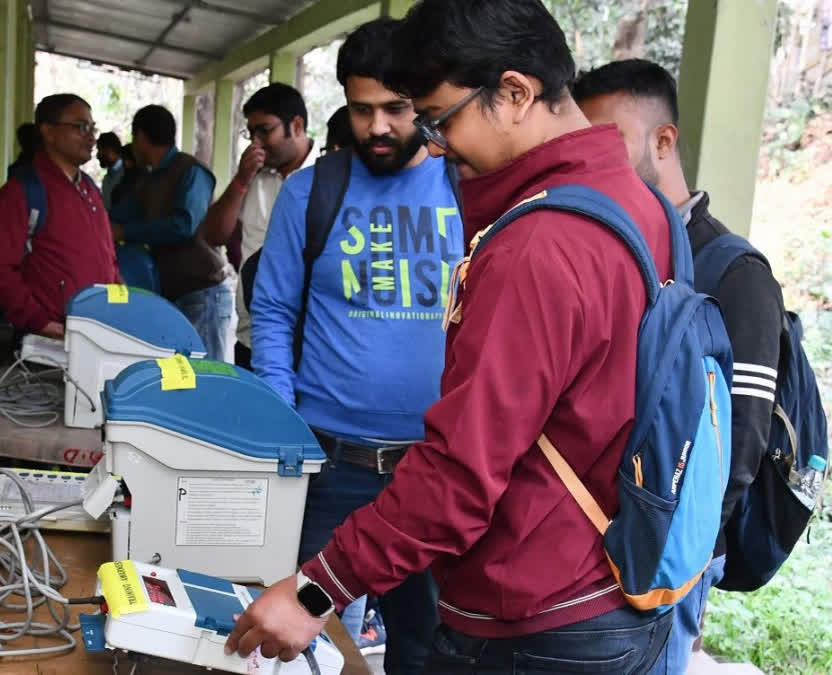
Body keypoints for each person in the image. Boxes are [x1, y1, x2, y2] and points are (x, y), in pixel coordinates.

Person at [227, 2, 678, 672]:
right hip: (613, 589)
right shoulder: (639, 205)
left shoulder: (537, 244)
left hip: (529, 617)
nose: (434, 144)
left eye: (439, 119)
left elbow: (459, 476)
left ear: (517, 93)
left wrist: (316, 588)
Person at [249, 18, 462, 672]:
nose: (377, 128)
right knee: (296, 638)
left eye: (397, 109)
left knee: (425, 646)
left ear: (424, 102)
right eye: (362, 109)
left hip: (434, 474)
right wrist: (285, 428)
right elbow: (274, 309)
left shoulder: (467, 190)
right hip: (327, 470)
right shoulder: (313, 193)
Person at [575, 58, 786, 675]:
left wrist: (669, 558)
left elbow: (739, 446)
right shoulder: (615, 245)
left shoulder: (732, 272)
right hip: (593, 554)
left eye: (607, 142)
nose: (591, 162)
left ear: (663, 141)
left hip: (663, 564)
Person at [0, 94, 120, 343]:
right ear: (48, 132)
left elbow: (108, 260)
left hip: (95, 337)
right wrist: (40, 322)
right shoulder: (23, 192)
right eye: (80, 127)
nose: (91, 137)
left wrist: (122, 306)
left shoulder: (90, 190)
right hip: (49, 342)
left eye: (92, 128)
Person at [199, 83, 316, 369]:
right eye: (251, 133)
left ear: (297, 125)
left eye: (265, 130)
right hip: (251, 340)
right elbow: (213, 235)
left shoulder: (326, 176)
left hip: (308, 345)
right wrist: (241, 180)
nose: (256, 142)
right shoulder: (254, 179)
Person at [110, 105, 234, 361]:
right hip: (172, 292)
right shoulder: (149, 178)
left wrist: (125, 231)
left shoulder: (191, 171)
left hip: (202, 291)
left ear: (142, 137)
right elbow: (120, 215)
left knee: (205, 379)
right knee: (179, 379)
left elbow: (183, 226)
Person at [96, 131, 125, 209]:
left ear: (109, 149)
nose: (97, 156)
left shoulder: (129, 174)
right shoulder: (106, 180)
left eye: (99, 150)